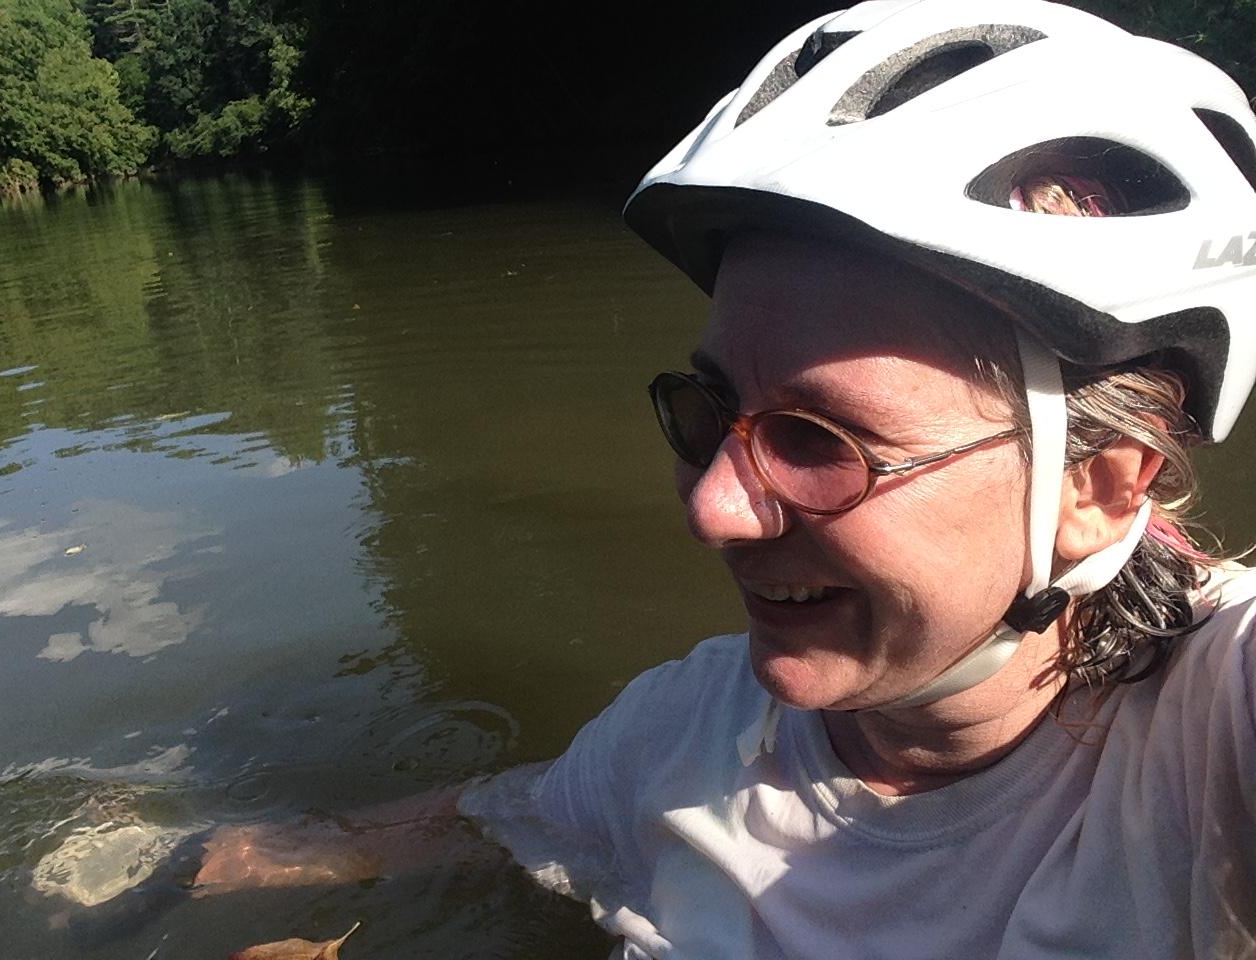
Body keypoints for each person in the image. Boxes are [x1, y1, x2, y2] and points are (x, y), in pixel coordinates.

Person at [194, 1, 1256, 956]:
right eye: (708, 415)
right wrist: (150, 865)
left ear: (1103, 487)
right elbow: (480, 817)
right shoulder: (680, 731)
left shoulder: (1211, 741)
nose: (710, 506)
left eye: (820, 439)